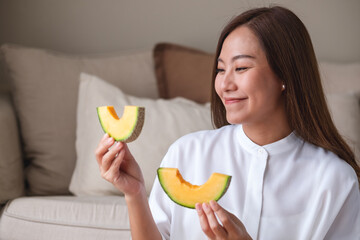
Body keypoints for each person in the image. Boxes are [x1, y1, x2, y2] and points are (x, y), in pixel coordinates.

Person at [95, 6, 360, 240]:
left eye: (241, 68)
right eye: (221, 69)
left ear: (285, 76)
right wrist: (135, 193)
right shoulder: (186, 153)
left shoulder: (335, 179)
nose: (225, 84)